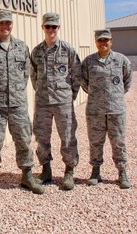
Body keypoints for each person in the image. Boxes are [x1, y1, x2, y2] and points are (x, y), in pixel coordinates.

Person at [0, 10, 44, 195]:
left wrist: (15, 91)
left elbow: (26, 74)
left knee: (24, 139)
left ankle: (27, 175)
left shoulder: (22, 47)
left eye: (8, 23)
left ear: (12, 24)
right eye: (1, 23)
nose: (5, 26)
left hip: (18, 104)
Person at [30, 12, 81, 190]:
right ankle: (46, 170)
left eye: (54, 26)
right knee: (42, 137)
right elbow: (33, 75)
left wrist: (69, 95)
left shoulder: (68, 50)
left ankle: (69, 171)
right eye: (47, 26)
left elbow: (76, 74)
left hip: (63, 102)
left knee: (67, 137)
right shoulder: (36, 51)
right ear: (42, 27)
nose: (51, 29)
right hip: (43, 102)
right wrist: (41, 91)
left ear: (58, 27)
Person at [81, 29, 132, 188]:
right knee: (95, 141)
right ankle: (95, 171)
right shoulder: (88, 62)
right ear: (96, 42)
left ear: (111, 41)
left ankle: (122, 172)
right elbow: (84, 82)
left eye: (106, 40)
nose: (103, 43)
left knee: (119, 142)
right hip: (95, 110)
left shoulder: (121, 60)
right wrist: (98, 96)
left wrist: (114, 96)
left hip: (116, 110)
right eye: (100, 40)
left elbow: (127, 81)